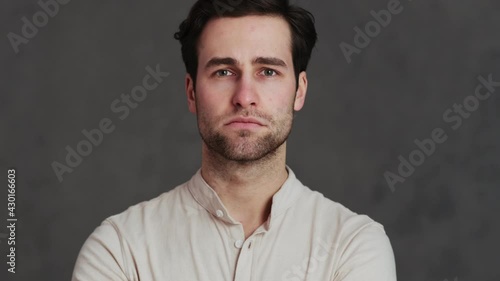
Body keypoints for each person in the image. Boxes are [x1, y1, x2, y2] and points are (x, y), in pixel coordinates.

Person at [71, 0, 397, 280]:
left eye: (267, 71)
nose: (244, 97)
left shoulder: (353, 244)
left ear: (300, 90)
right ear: (191, 92)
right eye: (224, 72)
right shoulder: (120, 249)